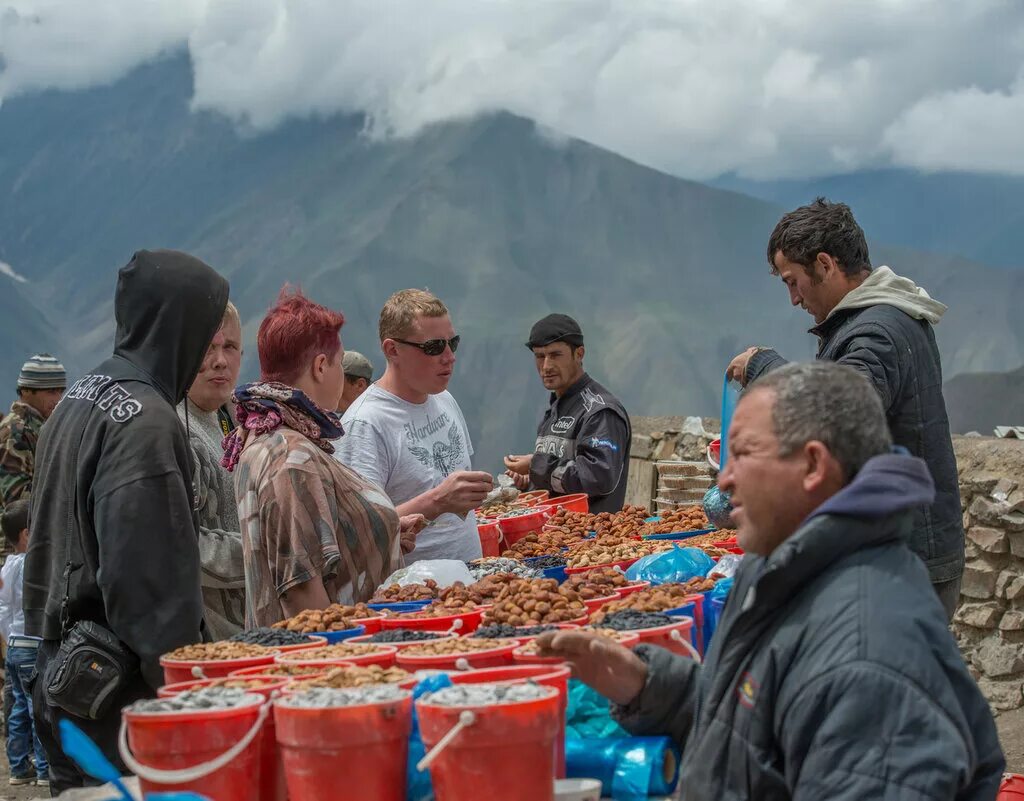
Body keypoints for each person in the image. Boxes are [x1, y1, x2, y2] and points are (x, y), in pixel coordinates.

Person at [538, 363, 1004, 800]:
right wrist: (646, 685)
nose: (725, 480)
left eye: (742, 454)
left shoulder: (869, 658)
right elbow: (755, 724)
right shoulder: (782, 568)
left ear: (813, 466)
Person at [24, 249, 229, 793]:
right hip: (121, 706)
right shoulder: (148, 425)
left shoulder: (77, 399)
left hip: (61, 677)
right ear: (180, 327)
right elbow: (148, 586)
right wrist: (183, 691)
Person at [726, 199, 963, 618]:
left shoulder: (875, 332)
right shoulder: (883, 320)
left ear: (824, 264)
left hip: (902, 555)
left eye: (793, 281)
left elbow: (837, 414)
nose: (793, 299)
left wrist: (764, 366)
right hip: (904, 546)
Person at [224, 288, 421, 628]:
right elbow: (302, 597)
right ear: (320, 366)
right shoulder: (291, 456)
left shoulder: (264, 434)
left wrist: (373, 530)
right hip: (328, 661)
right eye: (338, 365)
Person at [334, 289, 492, 563]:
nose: (449, 357)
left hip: (470, 583)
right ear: (392, 350)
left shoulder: (443, 398)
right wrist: (437, 501)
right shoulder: (365, 424)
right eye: (433, 347)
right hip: (412, 596)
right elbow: (356, 532)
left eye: (452, 343)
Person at [504, 314, 631, 513]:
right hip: (555, 535)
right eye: (540, 356)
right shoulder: (556, 407)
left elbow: (599, 478)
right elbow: (558, 481)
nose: (546, 366)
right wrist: (530, 481)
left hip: (590, 537)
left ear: (579, 354)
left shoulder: (599, 410)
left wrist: (536, 466)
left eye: (555, 355)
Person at [176, 301, 246, 640]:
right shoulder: (174, 430)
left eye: (230, 347)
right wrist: (265, 551)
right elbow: (180, 544)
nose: (220, 360)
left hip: (247, 622)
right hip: (206, 632)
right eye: (208, 348)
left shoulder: (235, 416)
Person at [0, 500, 48, 787]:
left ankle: (18, 768)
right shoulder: (33, 564)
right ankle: (44, 769)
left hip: (16, 646)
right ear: (27, 533)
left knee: (18, 707)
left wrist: (8, 637)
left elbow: (3, 609)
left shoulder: (7, 566)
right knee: (37, 709)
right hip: (34, 644)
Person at [0, 354, 66, 513]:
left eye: (60, 391)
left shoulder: (41, 428)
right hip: (16, 536)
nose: (58, 399)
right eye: (51, 392)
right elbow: (15, 501)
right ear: (27, 391)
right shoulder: (15, 432)